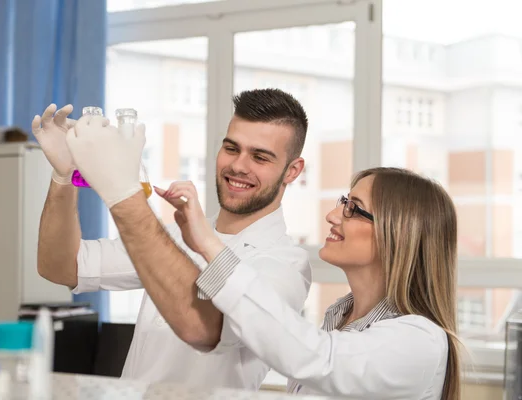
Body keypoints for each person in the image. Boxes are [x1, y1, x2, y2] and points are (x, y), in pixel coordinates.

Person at [65, 109, 460, 400]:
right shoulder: (339, 315)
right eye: (343, 201)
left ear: (399, 235)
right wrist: (60, 177)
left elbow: (311, 356)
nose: (332, 214)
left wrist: (129, 196)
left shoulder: (419, 340)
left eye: (353, 208)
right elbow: (67, 265)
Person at [33, 89, 312, 390]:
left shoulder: (286, 266)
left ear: (292, 171)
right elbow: (60, 266)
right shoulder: (177, 234)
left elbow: (203, 327)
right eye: (232, 149)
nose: (239, 166)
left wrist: (124, 193)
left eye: (260, 157)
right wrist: (64, 176)